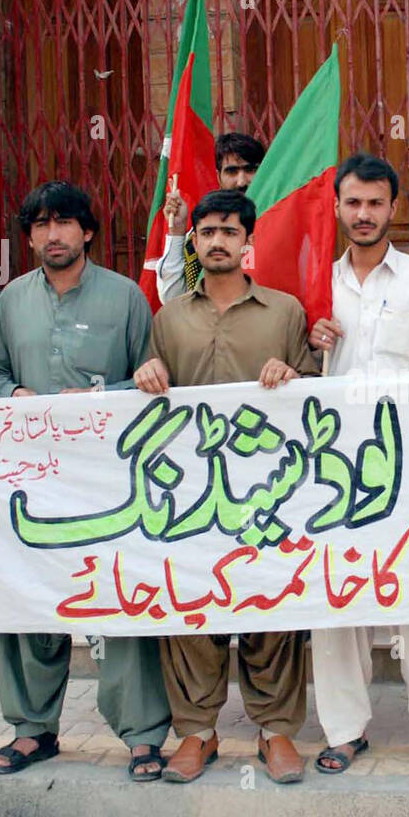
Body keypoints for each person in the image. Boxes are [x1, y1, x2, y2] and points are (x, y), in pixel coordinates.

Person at [0, 181, 168, 781]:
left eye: (64, 223)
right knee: (29, 598)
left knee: (120, 599)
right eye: (40, 224)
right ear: (29, 235)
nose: (52, 234)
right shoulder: (11, 301)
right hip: (32, 480)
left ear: (87, 231)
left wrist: (94, 398)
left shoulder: (126, 299)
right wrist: (16, 395)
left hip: (108, 482)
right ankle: (33, 729)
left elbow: (154, 383)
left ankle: (142, 735)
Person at [134, 189, 319, 784]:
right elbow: (147, 387)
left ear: (247, 243)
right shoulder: (169, 317)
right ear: (194, 241)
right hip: (189, 497)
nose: (217, 241)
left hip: (268, 495)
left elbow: (316, 397)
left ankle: (276, 731)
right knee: (191, 609)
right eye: (206, 231)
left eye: (228, 232)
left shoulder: (284, 312)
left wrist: (291, 375)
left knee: (272, 608)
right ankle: (196, 731)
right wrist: (148, 373)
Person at [306, 153, 409, 779]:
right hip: (332, 463)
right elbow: (286, 368)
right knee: (336, 604)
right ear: (338, 207)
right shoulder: (315, 275)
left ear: (394, 208)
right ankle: (345, 732)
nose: (364, 214)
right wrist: (306, 342)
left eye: (376, 203)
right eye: (354, 203)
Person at [156, 132, 266, 302]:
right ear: (218, 177)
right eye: (232, 171)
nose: (242, 181)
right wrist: (177, 231)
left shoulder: (281, 222)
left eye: (250, 170)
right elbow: (172, 298)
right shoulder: (205, 234)